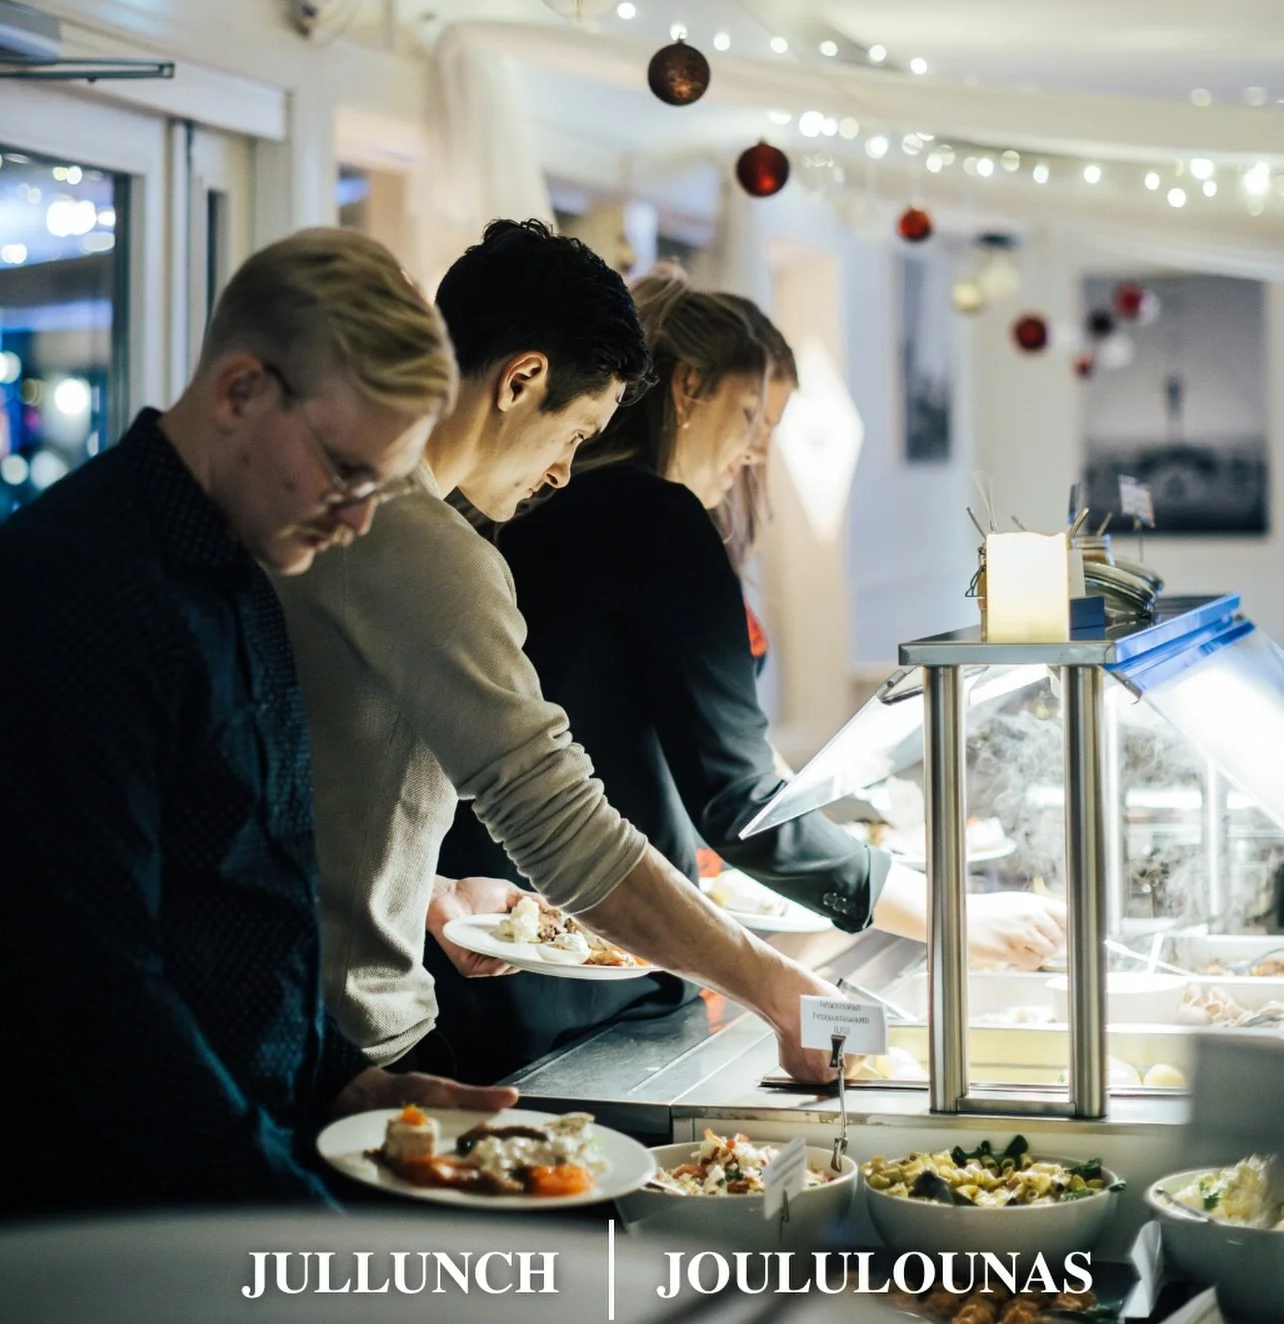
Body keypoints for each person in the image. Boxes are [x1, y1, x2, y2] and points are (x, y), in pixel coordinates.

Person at [0, 229, 509, 1227]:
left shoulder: (247, 561)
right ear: (241, 389)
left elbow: (247, 900)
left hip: (231, 1162)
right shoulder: (71, 588)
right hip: (94, 1215)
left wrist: (339, 1081)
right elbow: (95, 986)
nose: (359, 520)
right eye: (346, 471)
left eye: (382, 486)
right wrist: (292, 1216)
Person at [430, 270, 1067, 1078]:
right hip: (597, 972)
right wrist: (949, 911)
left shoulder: (524, 514)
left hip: (492, 960)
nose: (759, 446)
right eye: (752, 415)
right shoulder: (651, 522)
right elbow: (737, 803)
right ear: (687, 388)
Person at [278, 218, 853, 1098]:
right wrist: (778, 988)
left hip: (301, 1019)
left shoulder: (337, 514)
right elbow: (561, 828)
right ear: (522, 380)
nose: (560, 474)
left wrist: (420, 889)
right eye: (575, 435)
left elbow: (303, 788)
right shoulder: (427, 543)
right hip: (354, 1043)